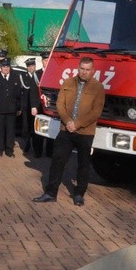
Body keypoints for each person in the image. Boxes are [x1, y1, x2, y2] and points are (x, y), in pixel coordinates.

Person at [32, 57, 104, 206]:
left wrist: (77, 124)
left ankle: (79, 195)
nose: (84, 72)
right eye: (82, 69)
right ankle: (50, 193)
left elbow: (96, 111)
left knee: (83, 165)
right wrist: (68, 121)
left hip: (85, 132)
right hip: (65, 129)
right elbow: (59, 104)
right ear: (78, 68)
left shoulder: (98, 87)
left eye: (87, 69)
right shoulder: (68, 83)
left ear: (92, 71)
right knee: (57, 161)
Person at [0, 57, 23, 157]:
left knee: (10, 131)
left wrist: (19, 108)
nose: (6, 68)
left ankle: (9, 150)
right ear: (1, 68)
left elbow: (18, 94)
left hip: (12, 109)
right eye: (4, 66)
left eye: (7, 66)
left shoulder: (15, 77)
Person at [20, 58, 42, 156]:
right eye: (29, 66)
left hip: (36, 107)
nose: (31, 68)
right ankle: (27, 146)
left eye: (32, 65)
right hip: (26, 107)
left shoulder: (38, 76)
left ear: (35, 66)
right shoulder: (23, 77)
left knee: (36, 129)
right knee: (26, 129)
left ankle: (37, 149)